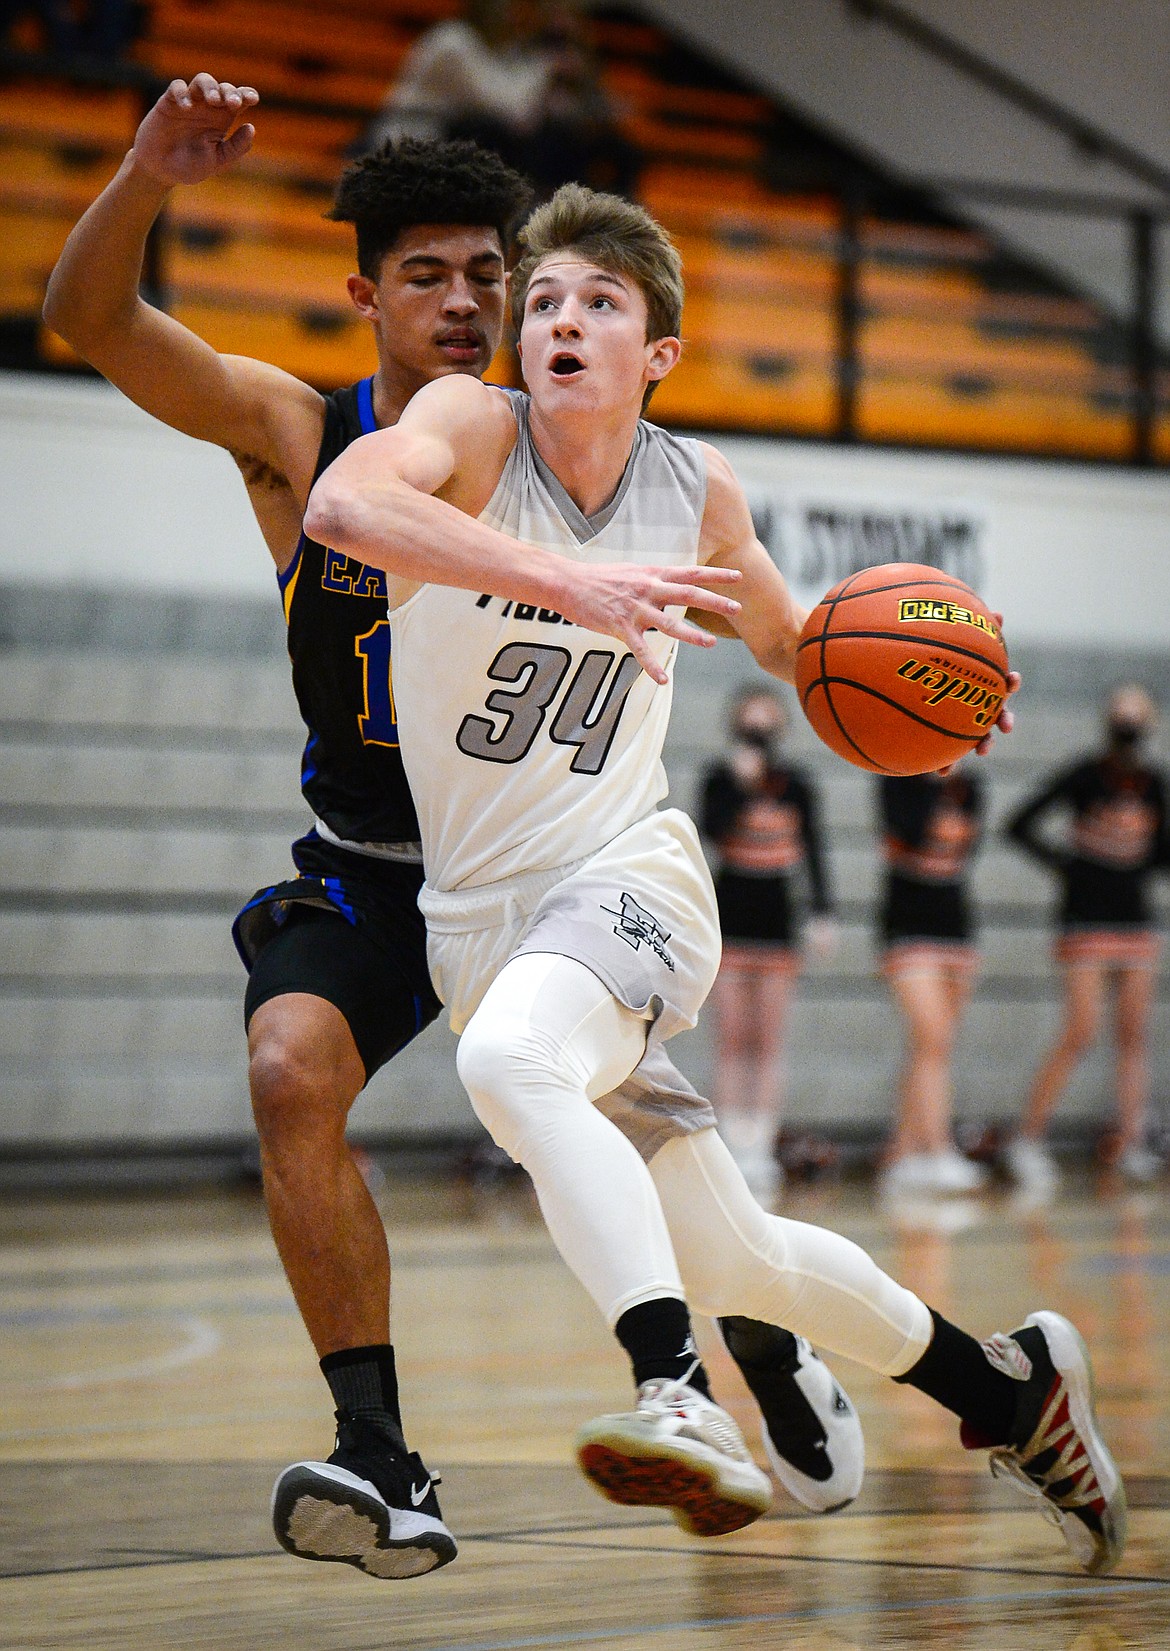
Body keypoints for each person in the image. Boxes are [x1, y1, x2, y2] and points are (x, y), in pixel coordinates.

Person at [43, 75, 865, 1578]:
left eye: (491, 272)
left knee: (672, 1191)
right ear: (367, 291)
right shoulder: (306, 434)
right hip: (375, 868)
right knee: (292, 1065)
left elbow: (763, 612)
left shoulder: (563, 438)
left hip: (552, 866)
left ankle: (762, 1340)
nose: (469, 298)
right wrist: (147, 174)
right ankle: (379, 1453)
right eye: (428, 272)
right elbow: (91, 320)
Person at [304, 180, 1125, 1574]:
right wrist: (568, 585)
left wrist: (925, 698)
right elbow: (340, 504)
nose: (557, 318)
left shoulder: (694, 486)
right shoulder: (459, 423)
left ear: (655, 355)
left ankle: (675, 1389)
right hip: (481, 912)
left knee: (512, 1062)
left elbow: (796, 642)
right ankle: (1005, 1389)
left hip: (626, 873)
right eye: (543, 299)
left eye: (597, 303)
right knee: (737, 1251)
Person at [1005, 684, 1169, 1192]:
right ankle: (1027, 1139)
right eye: (1121, 713)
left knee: (1133, 1036)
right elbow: (1020, 823)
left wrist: (1139, 862)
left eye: (1136, 715)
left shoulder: (1154, 782)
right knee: (1081, 1030)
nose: (1128, 722)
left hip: (1136, 919)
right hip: (1085, 919)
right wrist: (1066, 865)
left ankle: (1130, 1141)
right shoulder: (1084, 774)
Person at [699, 684, 834, 1201]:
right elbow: (710, 833)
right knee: (731, 1035)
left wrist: (822, 911)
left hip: (779, 917)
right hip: (731, 912)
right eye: (750, 721)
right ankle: (730, 1142)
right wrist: (738, 787)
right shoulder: (719, 776)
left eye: (767, 722)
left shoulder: (797, 782)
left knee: (769, 1038)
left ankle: (761, 1143)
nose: (759, 731)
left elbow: (814, 846)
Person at [875, 767, 989, 1199]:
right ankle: (938, 1150)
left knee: (930, 1046)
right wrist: (930, 778)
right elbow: (912, 834)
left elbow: (969, 848)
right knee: (933, 1037)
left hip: (956, 921)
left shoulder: (972, 783)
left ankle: (901, 1153)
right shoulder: (895, 781)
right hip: (907, 921)